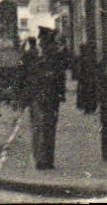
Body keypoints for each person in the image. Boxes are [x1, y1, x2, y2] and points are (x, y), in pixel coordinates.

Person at [24, 27, 68, 170]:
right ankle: (41, 159)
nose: (44, 44)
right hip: (40, 96)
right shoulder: (33, 55)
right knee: (42, 127)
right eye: (43, 41)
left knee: (46, 127)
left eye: (46, 41)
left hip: (48, 96)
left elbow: (60, 76)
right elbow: (25, 76)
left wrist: (61, 93)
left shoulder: (54, 56)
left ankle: (46, 160)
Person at [75, 41, 99, 113]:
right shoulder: (89, 57)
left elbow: (83, 69)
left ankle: (88, 107)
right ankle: (90, 107)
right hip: (88, 78)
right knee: (89, 93)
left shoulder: (84, 58)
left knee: (87, 93)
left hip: (86, 79)